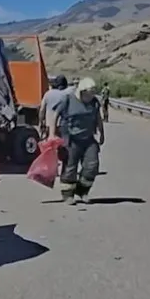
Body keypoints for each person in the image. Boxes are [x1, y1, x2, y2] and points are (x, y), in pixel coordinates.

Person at [47, 77, 105, 205]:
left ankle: (82, 191)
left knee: (92, 166)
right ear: (81, 92)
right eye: (88, 94)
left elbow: (98, 117)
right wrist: (52, 134)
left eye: (92, 94)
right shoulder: (67, 99)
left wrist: (102, 133)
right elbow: (55, 115)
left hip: (88, 139)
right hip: (71, 139)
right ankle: (68, 195)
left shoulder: (94, 102)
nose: (90, 96)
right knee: (70, 168)